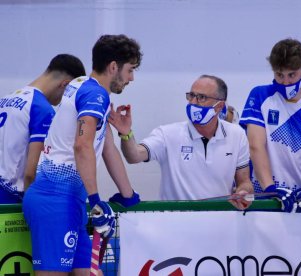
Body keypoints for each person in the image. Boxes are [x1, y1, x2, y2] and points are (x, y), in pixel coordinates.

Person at [22, 34, 142, 275]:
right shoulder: (95, 96)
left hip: (70, 202)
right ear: (113, 67)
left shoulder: (83, 86)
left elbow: (107, 147)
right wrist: (96, 201)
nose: (131, 78)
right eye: (130, 70)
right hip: (54, 201)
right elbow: (82, 145)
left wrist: (128, 195)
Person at [109, 75, 253, 210]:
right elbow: (133, 156)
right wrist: (126, 134)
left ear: (219, 106)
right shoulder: (167, 134)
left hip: (220, 222)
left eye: (201, 97)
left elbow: (244, 181)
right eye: (191, 96)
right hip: (176, 224)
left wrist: (243, 192)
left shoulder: (237, 134)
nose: (193, 102)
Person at [239, 38, 301, 212]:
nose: (285, 82)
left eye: (291, 75)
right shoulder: (260, 95)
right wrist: (270, 189)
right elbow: (255, 146)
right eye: (279, 74)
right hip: (268, 196)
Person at [0, 54, 86, 204]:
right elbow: (30, 173)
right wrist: (32, 209)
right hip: (11, 202)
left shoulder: (6, 99)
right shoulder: (42, 109)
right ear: (65, 84)